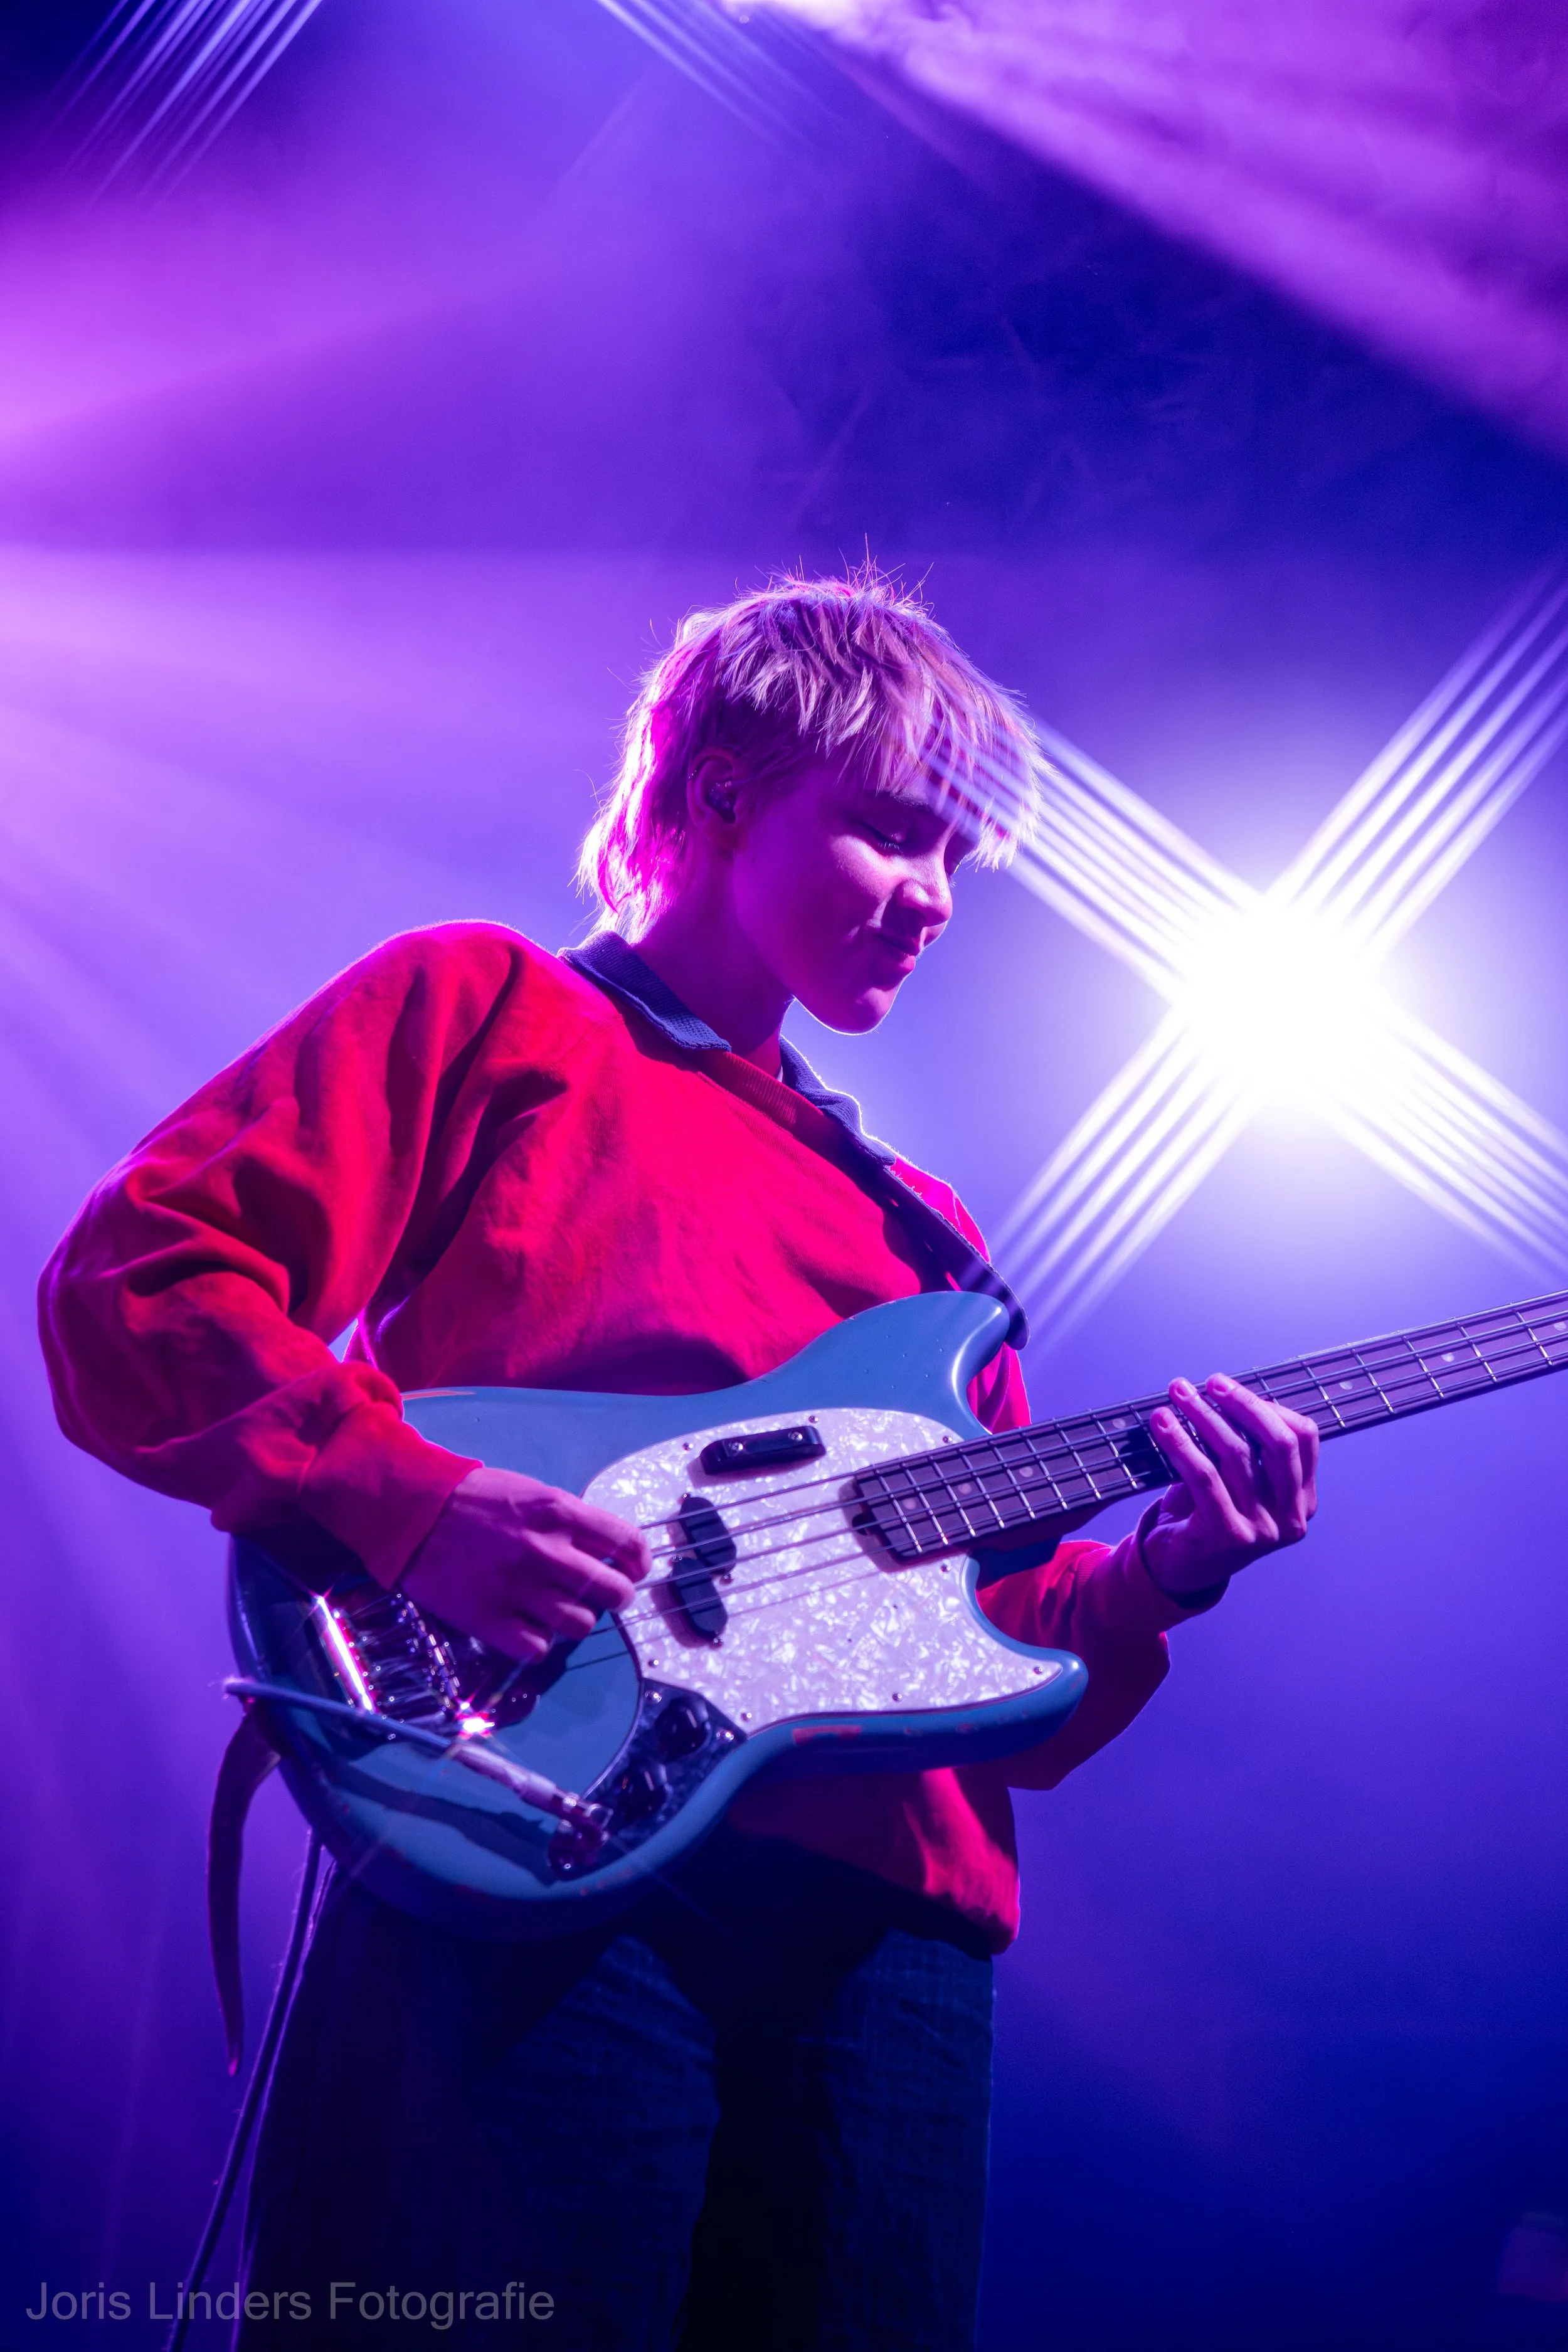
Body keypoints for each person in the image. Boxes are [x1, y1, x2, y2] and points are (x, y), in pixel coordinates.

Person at [38, 573, 1319, 2351]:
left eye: (957, 858)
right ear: (721, 790)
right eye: (890, 833)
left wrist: (1165, 1571)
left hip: (884, 1952)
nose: (932, 899)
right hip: (546, 1853)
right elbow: (140, 1281)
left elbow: (1006, 1665)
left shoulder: (931, 1247)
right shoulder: (493, 1010)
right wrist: (407, 1501)